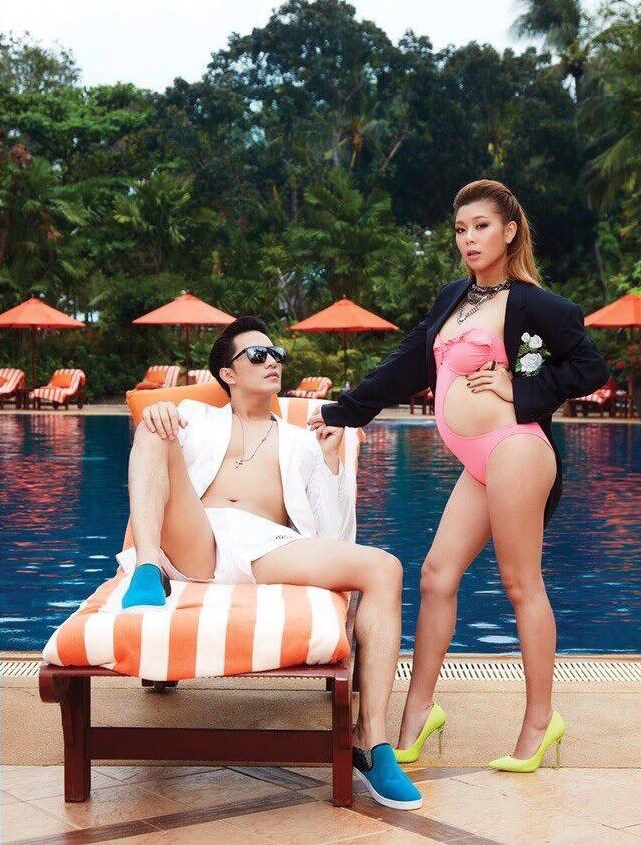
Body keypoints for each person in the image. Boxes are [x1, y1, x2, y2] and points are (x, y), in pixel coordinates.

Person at [310, 179, 610, 773]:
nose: (468, 238)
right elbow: (407, 363)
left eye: (481, 226)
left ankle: (540, 721)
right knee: (436, 576)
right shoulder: (453, 298)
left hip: (516, 450)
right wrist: (345, 411)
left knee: (521, 584)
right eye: (460, 229)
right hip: (477, 463)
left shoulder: (536, 305)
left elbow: (591, 367)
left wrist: (520, 386)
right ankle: (419, 714)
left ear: (509, 232)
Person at [118, 315, 423, 810]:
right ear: (228, 373)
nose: (272, 362)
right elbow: (159, 472)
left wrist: (331, 463)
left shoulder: (304, 439)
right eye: (257, 355)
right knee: (154, 428)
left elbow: (333, 536)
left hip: (267, 546)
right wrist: (160, 413)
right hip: (198, 539)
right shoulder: (194, 416)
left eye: (276, 353)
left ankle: (371, 741)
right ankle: (148, 569)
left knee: (384, 567)